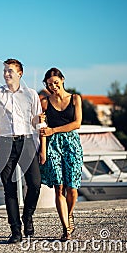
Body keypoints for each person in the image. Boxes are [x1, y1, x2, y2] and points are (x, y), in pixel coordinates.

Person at [0, 58, 44, 244]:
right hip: (4, 143)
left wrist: (43, 147)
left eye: (10, 70)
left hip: (27, 142)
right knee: (9, 188)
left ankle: (28, 217)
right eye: (4, 71)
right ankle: (15, 230)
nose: (6, 73)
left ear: (20, 73)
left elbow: (39, 123)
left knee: (35, 184)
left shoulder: (31, 94)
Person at [39, 67, 83, 241]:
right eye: (50, 84)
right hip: (53, 146)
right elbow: (42, 129)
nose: (53, 87)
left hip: (72, 144)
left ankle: (70, 214)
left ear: (62, 80)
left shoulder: (75, 99)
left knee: (72, 188)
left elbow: (77, 123)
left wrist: (53, 130)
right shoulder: (44, 102)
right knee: (59, 187)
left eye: (56, 83)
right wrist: (43, 150)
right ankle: (66, 228)